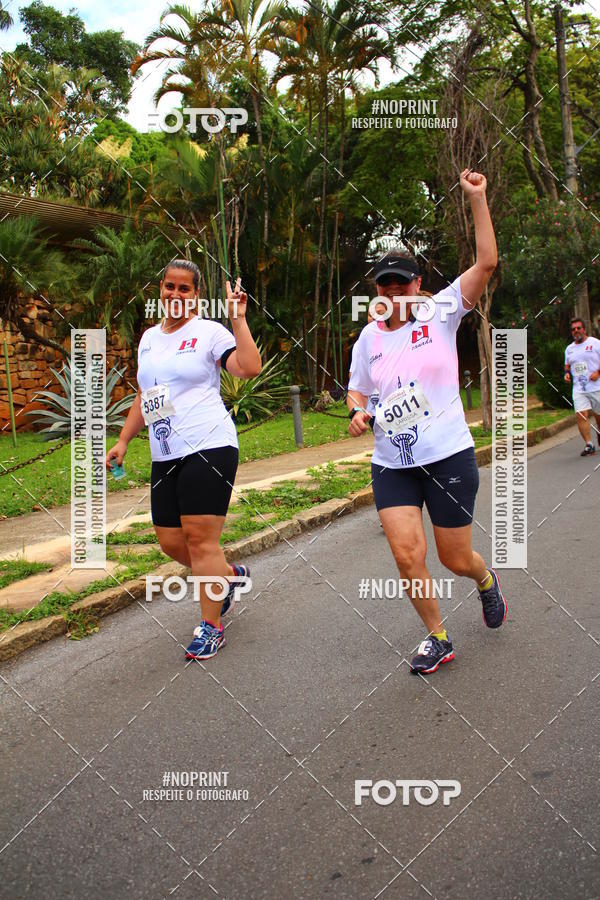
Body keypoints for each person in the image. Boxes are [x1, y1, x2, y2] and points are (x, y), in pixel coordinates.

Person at [347, 169, 507, 675]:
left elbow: (487, 262)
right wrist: (356, 409)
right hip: (392, 462)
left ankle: (485, 581)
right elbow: (358, 388)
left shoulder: (441, 311)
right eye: (384, 283)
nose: (393, 290)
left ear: (417, 284)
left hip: (448, 456)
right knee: (407, 555)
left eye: (401, 281)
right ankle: (437, 636)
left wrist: (477, 199)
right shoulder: (368, 339)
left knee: (455, 558)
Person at [106, 260, 261, 660]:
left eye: (185, 289)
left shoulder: (209, 332)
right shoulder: (148, 339)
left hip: (209, 445)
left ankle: (211, 627)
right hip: (166, 453)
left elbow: (248, 367)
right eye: (169, 287)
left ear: (196, 294)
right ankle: (227, 577)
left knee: (200, 539)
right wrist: (124, 440)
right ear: (161, 290)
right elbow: (145, 395)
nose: (175, 295)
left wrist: (239, 320)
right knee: (170, 540)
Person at [563, 317, 600, 456]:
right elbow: (567, 365)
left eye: (578, 328)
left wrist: (598, 372)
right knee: (581, 415)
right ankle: (589, 444)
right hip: (579, 388)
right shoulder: (569, 349)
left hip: (596, 386)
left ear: (584, 329)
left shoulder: (595, 343)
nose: (576, 331)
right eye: (573, 329)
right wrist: (567, 373)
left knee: (598, 416)